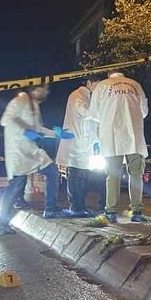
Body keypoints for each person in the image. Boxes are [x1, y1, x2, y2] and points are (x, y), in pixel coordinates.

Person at [0, 85, 74, 234]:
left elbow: (39, 130)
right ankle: (2, 222)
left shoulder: (35, 106)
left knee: (52, 171)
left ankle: (51, 209)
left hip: (31, 151)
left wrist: (60, 133)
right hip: (18, 151)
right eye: (44, 88)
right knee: (14, 186)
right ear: (35, 89)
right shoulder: (21, 99)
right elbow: (5, 119)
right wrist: (25, 130)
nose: (47, 92)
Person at [88, 71, 149, 223]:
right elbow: (144, 111)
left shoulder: (102, 86)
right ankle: (137, 211)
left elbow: (94, 113)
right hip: (133, 135)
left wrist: (109, 115)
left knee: (113, 175)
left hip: (111, 136)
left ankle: (110, 212)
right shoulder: (135, 85)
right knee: (136, 174)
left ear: (110, 74)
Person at [55, 76, 104, 217]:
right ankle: (76, 207)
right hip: (76, 145)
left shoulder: (89, 96)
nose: (99, 88)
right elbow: (85, 113)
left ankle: (80, 206)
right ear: (89, 82)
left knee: (83, 176)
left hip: (85, 146)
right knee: (76, 176)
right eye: (97, 84)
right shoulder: (77, 95)